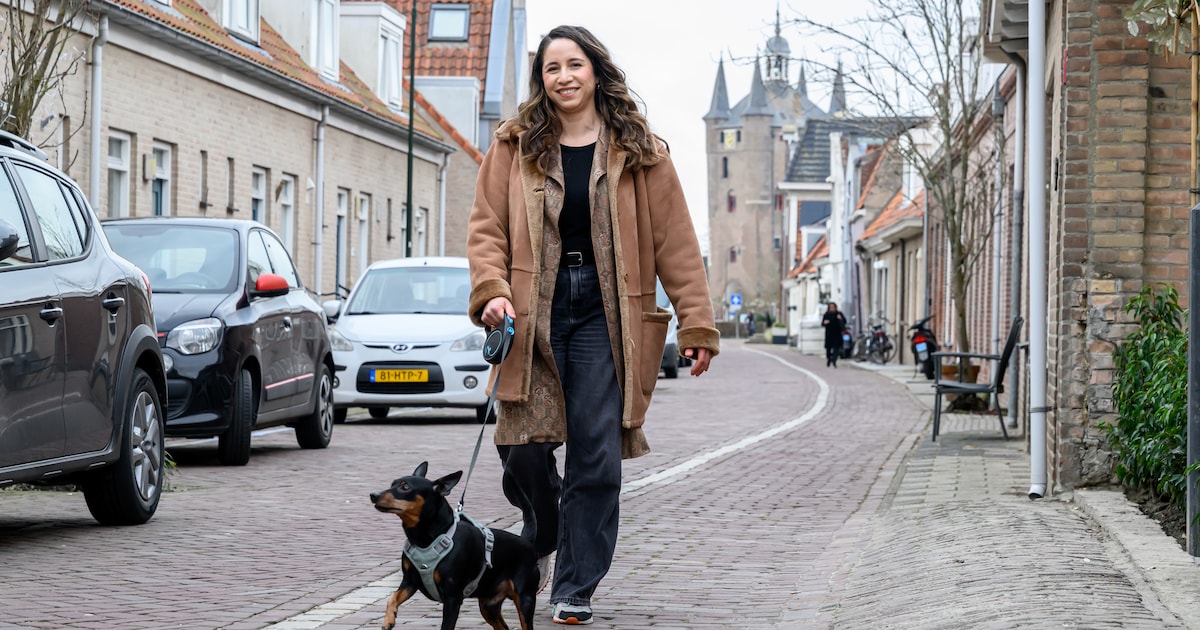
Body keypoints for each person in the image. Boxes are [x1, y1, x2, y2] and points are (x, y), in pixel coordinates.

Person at [466, 25, 720, 625]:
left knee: (595, 455)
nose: (564, 77)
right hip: (533, 309)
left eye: (574, 64)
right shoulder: (514, 145)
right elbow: (486, 230)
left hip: (606, 314)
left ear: (595, 71)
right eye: (552, 68)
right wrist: (492, 293)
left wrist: (697, 326)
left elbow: (676, 245)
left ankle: (575, 586)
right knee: (522, 447)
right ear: (541, 79)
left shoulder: (642, 152)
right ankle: (547, 524)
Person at [822, 302, 847, 368]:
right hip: (829, 334)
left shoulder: (838, 314)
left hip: (837, 333)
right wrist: (825, 323)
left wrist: (840, 318)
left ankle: (834, 361)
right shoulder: (826, 314)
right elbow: (822, 323)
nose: (832, 308)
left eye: (833, 307)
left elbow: (844, 321)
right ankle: (829, 358)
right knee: (828, 349)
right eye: (830, 307)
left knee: (836, 348)